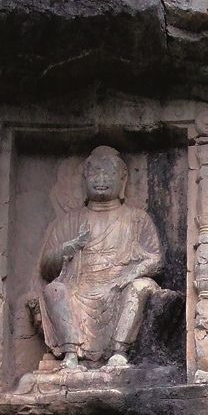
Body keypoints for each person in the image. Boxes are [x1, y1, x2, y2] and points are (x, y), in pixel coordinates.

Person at [39, 146, 163, 369]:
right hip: (80, 288)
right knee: (54, 290)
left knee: (141, 287)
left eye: (108, 174)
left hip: (120, 287)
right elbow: (46, 268)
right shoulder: (70, 221)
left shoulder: (137, 219)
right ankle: (71, 354)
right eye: (95, 174)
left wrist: (131, 272)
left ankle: (119, 351)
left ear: (122, 180)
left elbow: (156, 260)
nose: (101, 179)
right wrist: (70, 247)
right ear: (84, 179)